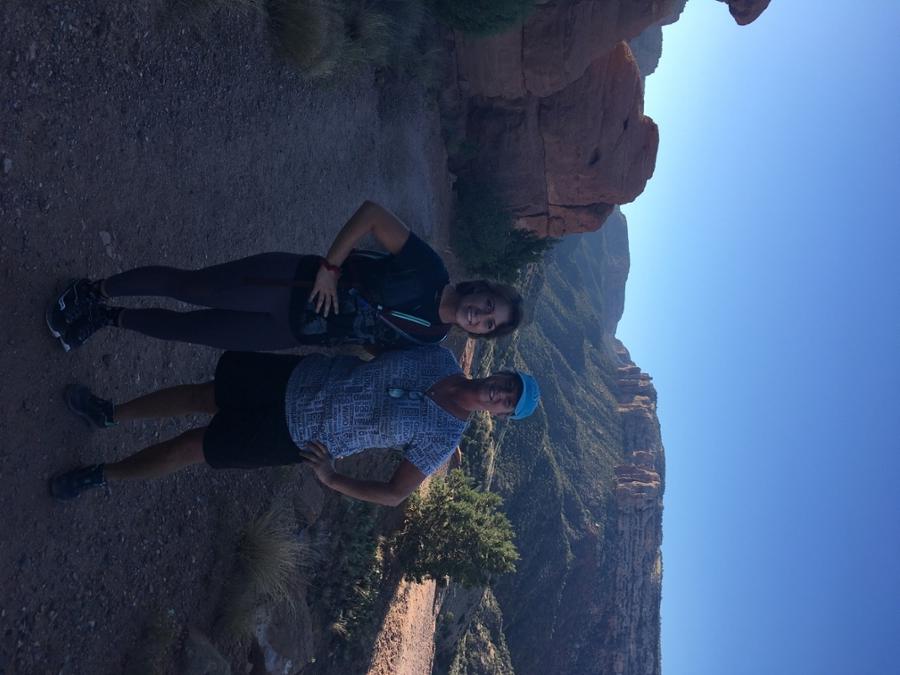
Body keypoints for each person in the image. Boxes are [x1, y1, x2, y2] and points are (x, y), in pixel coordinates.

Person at [49, 345, 541, 504]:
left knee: (194, 446)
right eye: (507, 384)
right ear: (500, 373)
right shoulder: (437, 355)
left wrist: (332, 478)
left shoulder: (444, 437)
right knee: (204, 394)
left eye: (507, 403)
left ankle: (101, 475)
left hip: (300, 437)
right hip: (298, 376)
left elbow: (394, 493)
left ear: (498, 415)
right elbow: (376, 344)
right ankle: (109, 412)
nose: (500, 394)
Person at [46, 200, 524, 352]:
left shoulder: (429, 339)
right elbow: (373, 215)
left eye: (487, 323)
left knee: (187, 331)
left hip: (289, 331)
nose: (480, 315)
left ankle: (105, 318)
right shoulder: (431, 269)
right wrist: (330, 270)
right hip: (291, 283)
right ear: (480, 289)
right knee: (189, 288)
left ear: (479, 333)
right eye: (487, 305)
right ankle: (92, 289)